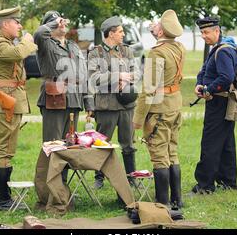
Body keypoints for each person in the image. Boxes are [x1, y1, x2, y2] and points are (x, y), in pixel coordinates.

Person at [0, 6, 37, 211]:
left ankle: (5, 198)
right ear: (6, 24)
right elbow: (18, 53)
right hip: (4, 101)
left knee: (8, 150)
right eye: (17, 22)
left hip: (8, 100)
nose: (20, 26)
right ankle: (3, 201)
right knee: (5, 151)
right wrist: (28, 40)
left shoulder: (3, 41)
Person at [132, 10, 186, 208]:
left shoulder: (157, 52)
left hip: (159, 108)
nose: (154, 26)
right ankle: (177, 201)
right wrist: (158, 32)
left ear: (162, 32)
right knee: (172, 152)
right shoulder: (179, 47)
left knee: (159, 155)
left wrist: (138, 118)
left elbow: (148, 89)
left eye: (157, 25)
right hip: (174, 104)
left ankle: (162, 203)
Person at [33, 11, 94, 183]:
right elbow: (38, 33)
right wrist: (54, 23)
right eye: (57, 22)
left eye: (62, 21)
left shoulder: (73, 46)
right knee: (53, 145)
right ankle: (49, 189)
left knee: (68, 145)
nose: (62, 24)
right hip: (54, 99)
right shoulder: (45, 43)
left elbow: (83, 74)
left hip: (74, 100)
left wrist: (88, 101)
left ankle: (62, 186)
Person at [189, 16, 237, 195]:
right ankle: (228, 182)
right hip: (221, 101)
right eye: (201, 32)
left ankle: (205, 186)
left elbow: (226, 78)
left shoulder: (224, 50)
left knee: (210, 144)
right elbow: (204, 70)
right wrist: (199, 83)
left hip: (219, 101)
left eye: (206, 32)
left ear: (217, 31)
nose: (203, 35)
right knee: (226, 144)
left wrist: (208, 89)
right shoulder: (217, 48)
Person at [88, 16, 138, 189]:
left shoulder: (127, 51)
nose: (123, 34)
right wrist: (118, 76)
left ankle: (132, 177)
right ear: (111, 33)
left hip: (126, 105)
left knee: (129, 144)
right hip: (106, 105)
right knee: (102, 142)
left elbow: (137, 73)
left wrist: (128, 79)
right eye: (120, 31)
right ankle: (99, 178)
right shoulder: (95, 53)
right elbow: (93, 78)